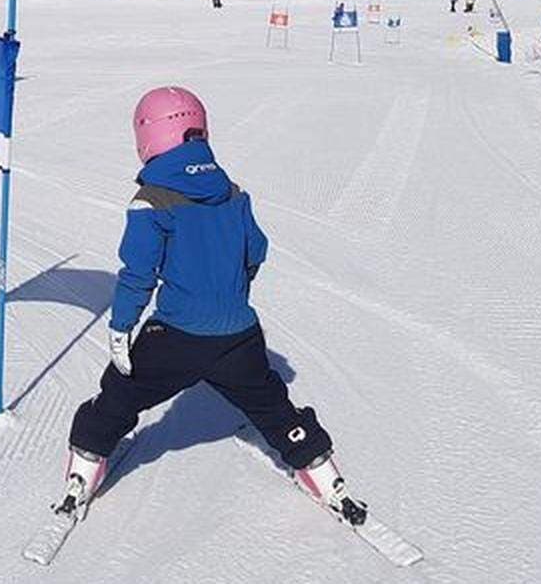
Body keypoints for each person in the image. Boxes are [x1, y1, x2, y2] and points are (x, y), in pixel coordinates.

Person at [55, 87, 366, 529]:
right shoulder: (233, 192)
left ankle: (85, 464)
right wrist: (233, 289)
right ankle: (319, 468)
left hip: (176, 338)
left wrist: (121, 328)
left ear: (148, 136)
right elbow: (256, 248)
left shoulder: (151, 200)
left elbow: (138, 273)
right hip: (240, 336)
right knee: (273, 406)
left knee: (120, 393)